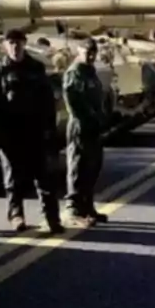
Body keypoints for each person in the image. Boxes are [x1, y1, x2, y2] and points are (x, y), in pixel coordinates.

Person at [0, 28, 63, 234]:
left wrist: (50, 129)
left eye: (18, 42)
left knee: (44, 176)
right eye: (10, 43)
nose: (15, 46)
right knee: (12, 178)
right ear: (4, 46)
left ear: (24, 44)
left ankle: (51, 217)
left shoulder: (35, 67)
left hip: (34, 130)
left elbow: (47, 100)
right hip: (10, 132)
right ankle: (16, 215)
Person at [62, 38, 109, 226]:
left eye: (93, 53)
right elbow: (72, 101)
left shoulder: (90, 72)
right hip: (80, 125)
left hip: (94, 124)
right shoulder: (75, 72)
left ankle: (87, 206)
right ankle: (73, 209)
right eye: (87, 52)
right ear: (79, 51)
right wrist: (85, 120)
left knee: (93, 166)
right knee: (78, 166)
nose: (90, 56)